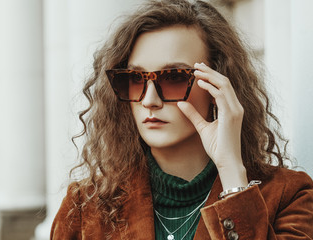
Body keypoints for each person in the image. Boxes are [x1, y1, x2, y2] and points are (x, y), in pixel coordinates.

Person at [51, 0, 313, 239]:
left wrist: (232, 173)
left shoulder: (289, 196)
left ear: (216, 88)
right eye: (134, 79)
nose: (149, 100)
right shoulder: (85, 208)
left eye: (174, 77)